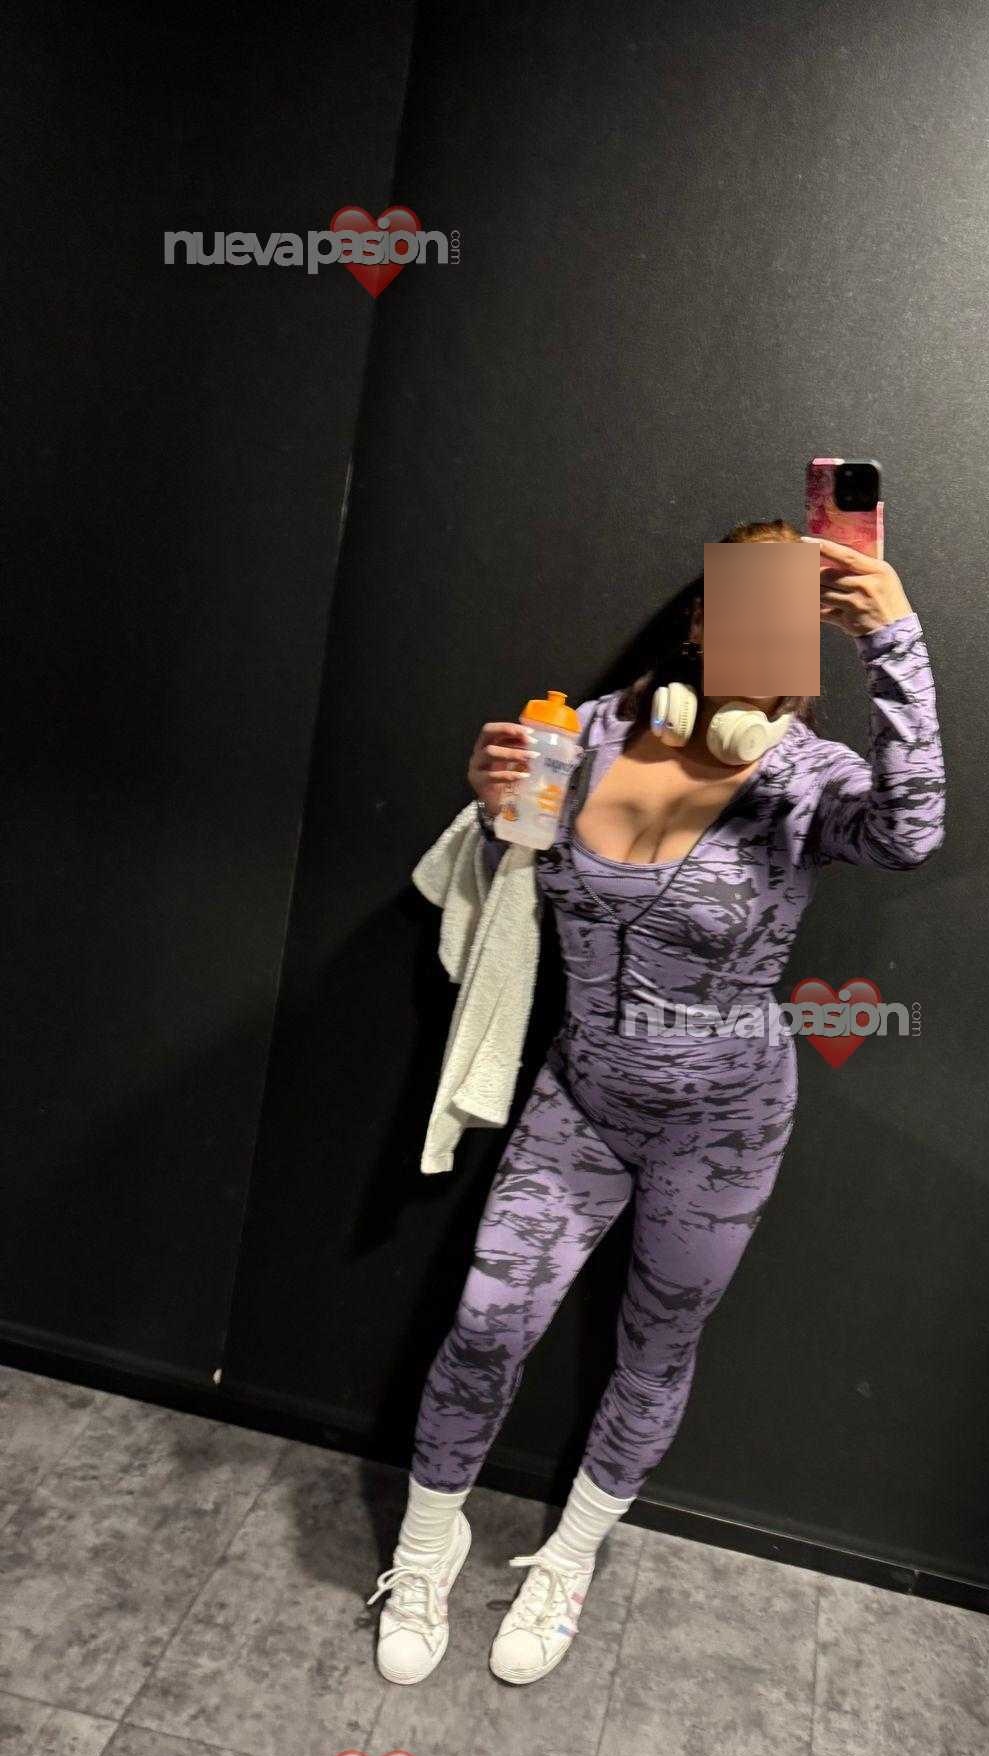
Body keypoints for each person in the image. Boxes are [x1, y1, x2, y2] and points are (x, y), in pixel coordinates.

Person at [368, 518, 945, 1686]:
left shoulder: (807, 783)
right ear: (701, 616)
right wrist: (489, 799)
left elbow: (912, 832)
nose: (768, 632)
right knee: (486, 1321)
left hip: (722, 1125)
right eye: (749, 600)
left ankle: (570, 1556)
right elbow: (510, 856)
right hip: (580, 1098)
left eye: (800, 615)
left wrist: (896, 636)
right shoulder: (587, 736)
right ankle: (427, 1546)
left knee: (657, 1344)